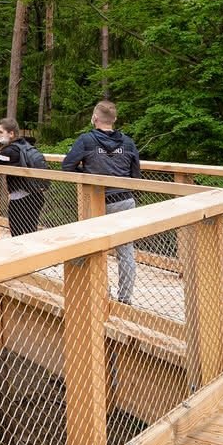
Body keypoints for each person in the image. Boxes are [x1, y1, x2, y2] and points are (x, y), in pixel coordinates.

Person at [63, 100, 141, 302]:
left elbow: (67, 167)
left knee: (96, 248)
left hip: (98, 201)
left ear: (95, 118)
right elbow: (136, 175)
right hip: (125, 199)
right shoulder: (128, 143)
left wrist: (88, 175)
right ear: (114, 120)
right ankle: (125, 299)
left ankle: (101, 295)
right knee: (126, 251)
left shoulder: (86, 140)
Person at [0, 118, 48, 236]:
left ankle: (25, 254)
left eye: (0, 132)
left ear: (11, 133)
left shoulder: (11, 150)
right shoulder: (23, 145)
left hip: (22, 198)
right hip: (36, 195)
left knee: (17, 233)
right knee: (30, 231)